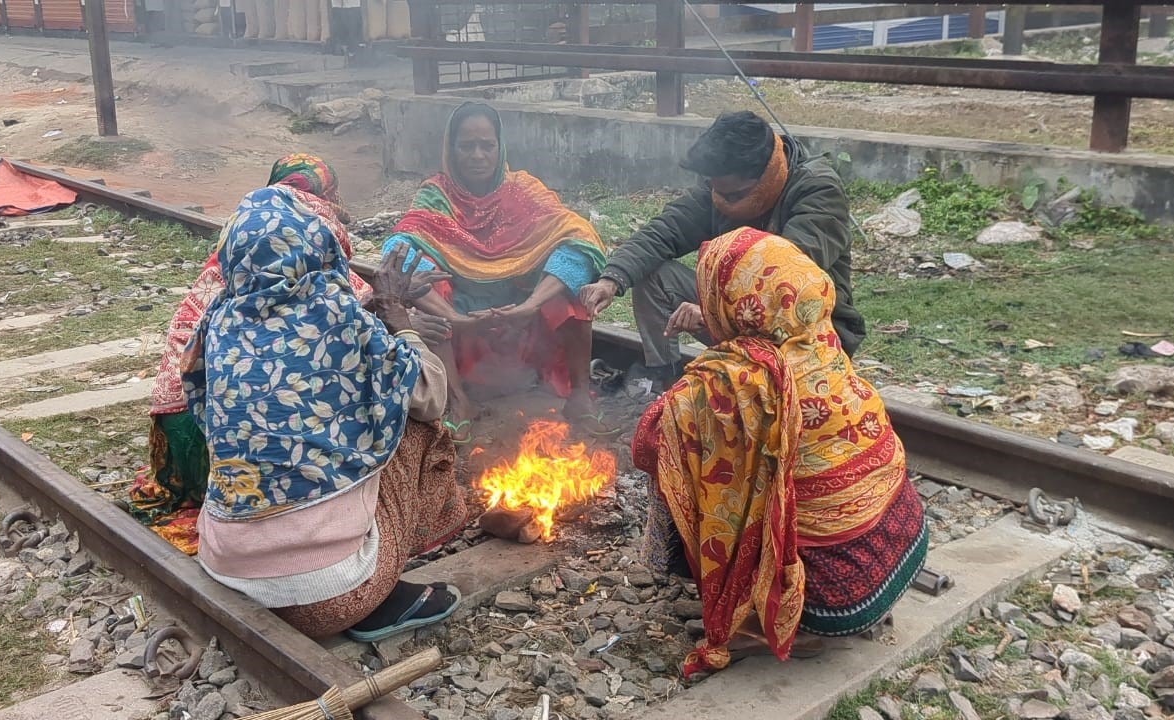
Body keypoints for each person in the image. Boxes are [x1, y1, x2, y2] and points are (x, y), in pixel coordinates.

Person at [633, 227, 926, 678]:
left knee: (679, 456)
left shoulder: (739, 378)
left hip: (839, 600)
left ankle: (792, 621)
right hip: (900, 551)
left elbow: (647, 441)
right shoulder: (816, 336)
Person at [181, 185, 468, 641]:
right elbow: (432, 395)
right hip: (329, 602)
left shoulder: (216, 322)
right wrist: (396, 316)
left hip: (226, 574)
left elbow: (299, 339)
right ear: (320, 247)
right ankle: (380, 593)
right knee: (419, 424)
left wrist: (371, 310)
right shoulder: (340, 317)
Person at [128, 154, 372, 555]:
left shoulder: (231, 259)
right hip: (257, 480)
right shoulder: (317, 235)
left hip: (186, 458)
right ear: (327, 194)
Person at [579, 111, 867, 388]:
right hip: (735, 315)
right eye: (717, 191)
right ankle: (665, 383)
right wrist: (611, 279)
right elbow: (666, 230)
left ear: (766, 175)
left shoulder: (818, 190)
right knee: (653, 276)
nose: (722, 201)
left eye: (733, 195)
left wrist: (716, 311)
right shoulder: (721, 189)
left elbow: (786, 278)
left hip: (808, 328)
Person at [381, 102, 613, 441]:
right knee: (418, 270)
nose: (477, 155)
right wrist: (455, 317)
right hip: (463, 318)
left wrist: (531, 304)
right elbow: (397, 249)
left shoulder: (522, 189)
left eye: (486, 145)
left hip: (522, 316)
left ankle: (579, 398)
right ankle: (458, 400)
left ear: (500, 146)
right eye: (467, 146)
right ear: (451, 149)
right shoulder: (437, 195)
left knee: (572, 279)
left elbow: (578, 236)